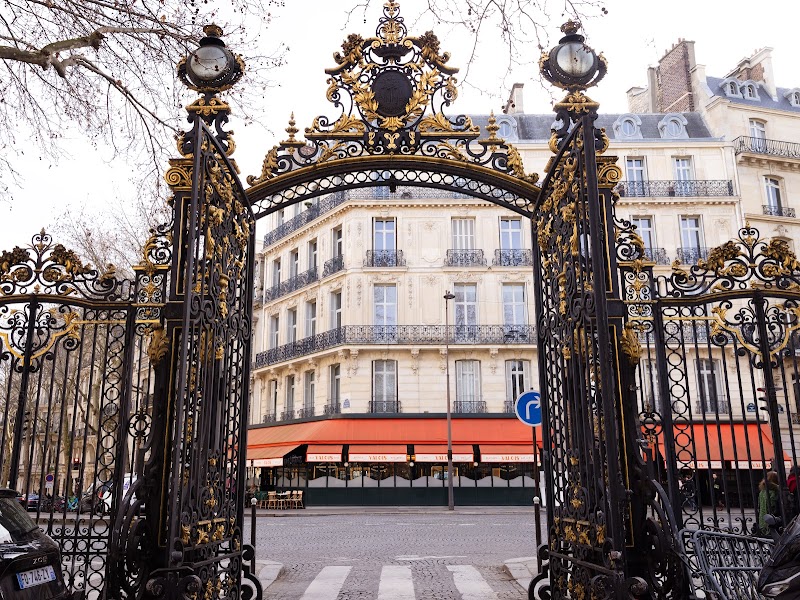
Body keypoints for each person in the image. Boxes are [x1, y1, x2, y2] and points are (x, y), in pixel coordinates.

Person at [758, 471, 780, 536]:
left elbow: (759, 505)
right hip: (771, 519)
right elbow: (773, 505)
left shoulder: (762, 491)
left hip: (762, 519)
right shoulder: (773, 491)